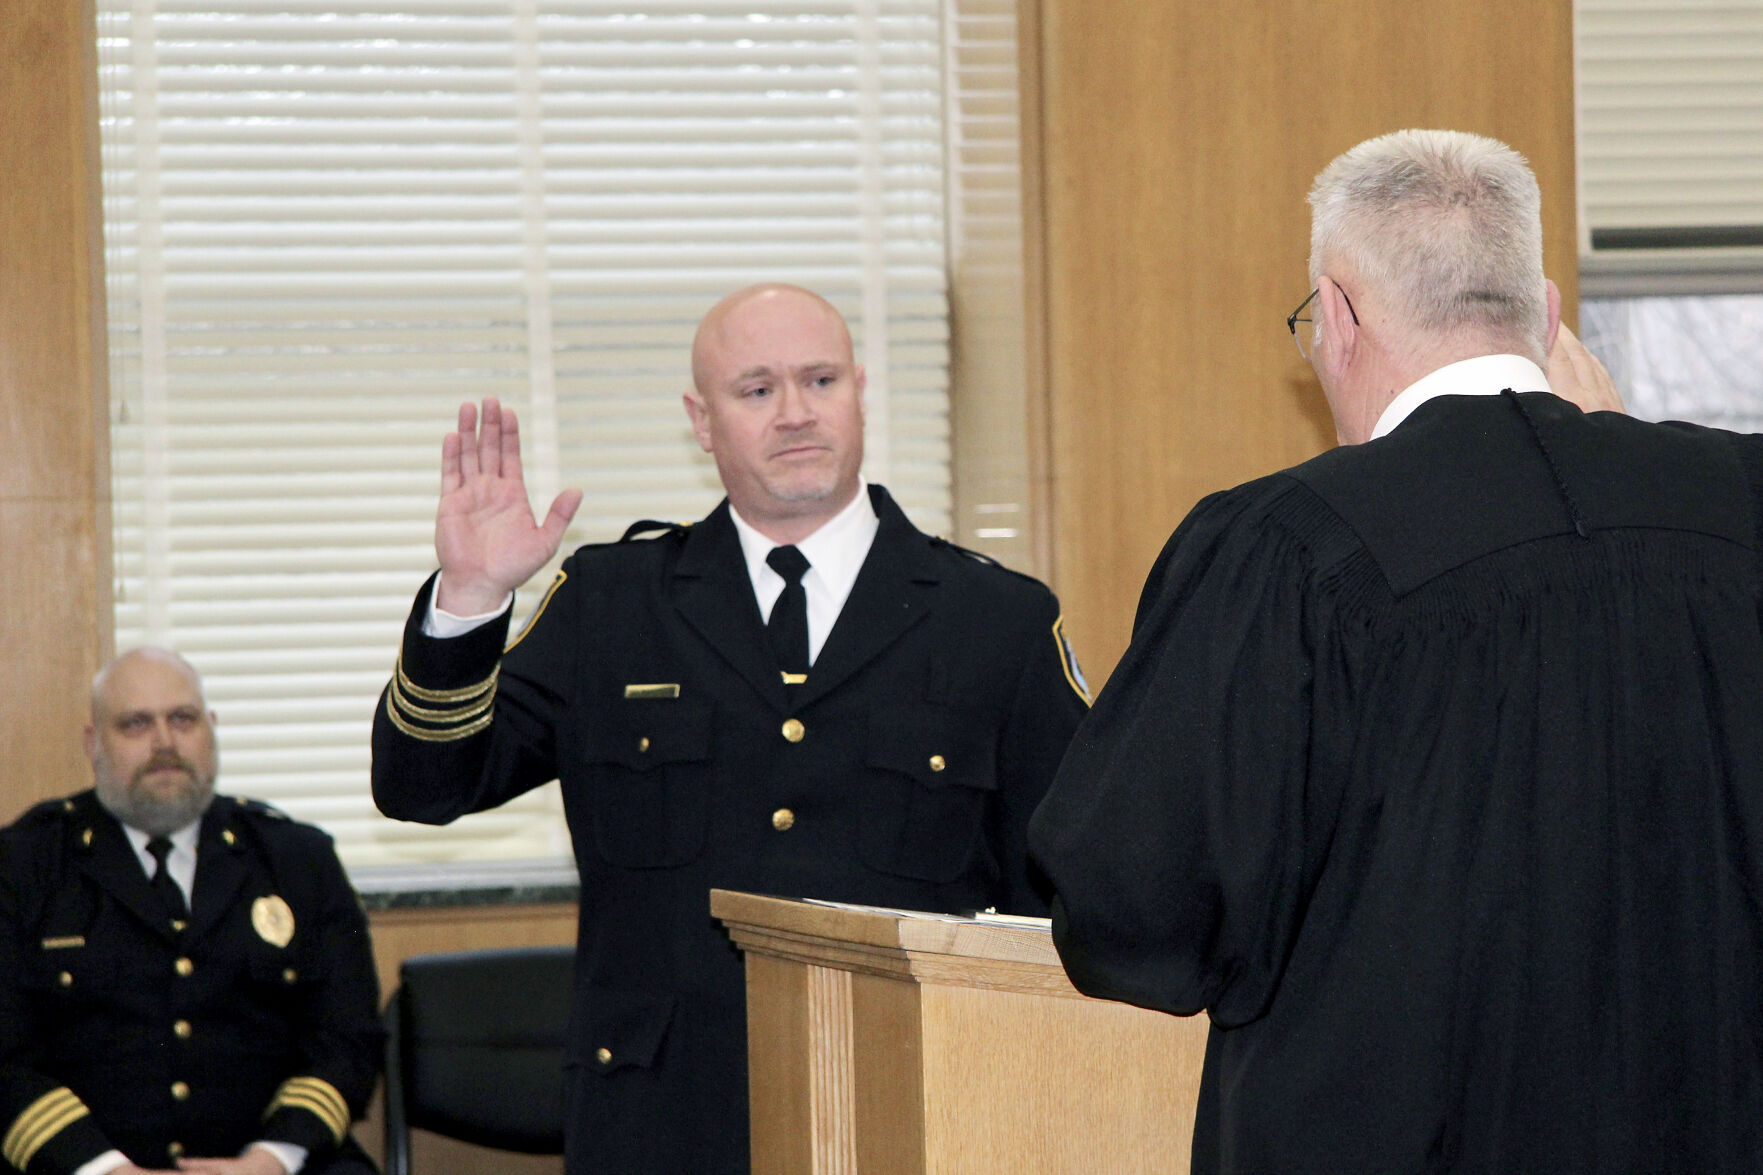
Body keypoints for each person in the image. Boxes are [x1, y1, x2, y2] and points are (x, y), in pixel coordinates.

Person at [1029, 128, 1763, 1174]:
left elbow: (1133, 910)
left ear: (1334, 314)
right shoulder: (1736, 507)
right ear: (1546, 312)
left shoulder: (1281, 546)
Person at [370, 282, 1090, 1175]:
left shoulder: (996, 620)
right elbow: (423, 786)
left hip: (913, 1109)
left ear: (861, 389)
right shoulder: (611, 604)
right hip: (662, 1120)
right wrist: (471, 601)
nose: (794, 412)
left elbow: (1071, 885)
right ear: (700, 421)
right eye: (755, 391)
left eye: (820, 380)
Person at [0, 649, 383, 1175]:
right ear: (94, 744)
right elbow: (6, 1055)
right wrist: (104, 1169)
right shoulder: (24, 865)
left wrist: (270, 1160)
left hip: (268, 1164)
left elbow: (348, 1038)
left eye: (183, 719)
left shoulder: (297, 859)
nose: (165, 744)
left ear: (212, 729)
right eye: (136, 724)